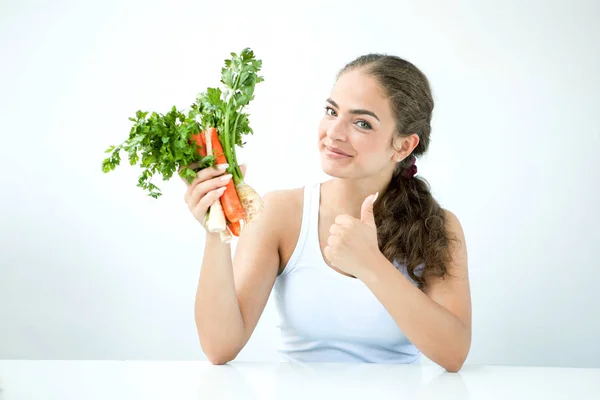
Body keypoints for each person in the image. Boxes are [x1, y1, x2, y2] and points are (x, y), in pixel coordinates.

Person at [183, 53, 472, 372]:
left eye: (362, 122)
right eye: (331, 111)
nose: (334, 132)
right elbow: (219, 347)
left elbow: (454, 353)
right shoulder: (280, 214)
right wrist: (216, 232)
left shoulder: (439, 226)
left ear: (403, 146)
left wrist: (372, 265)